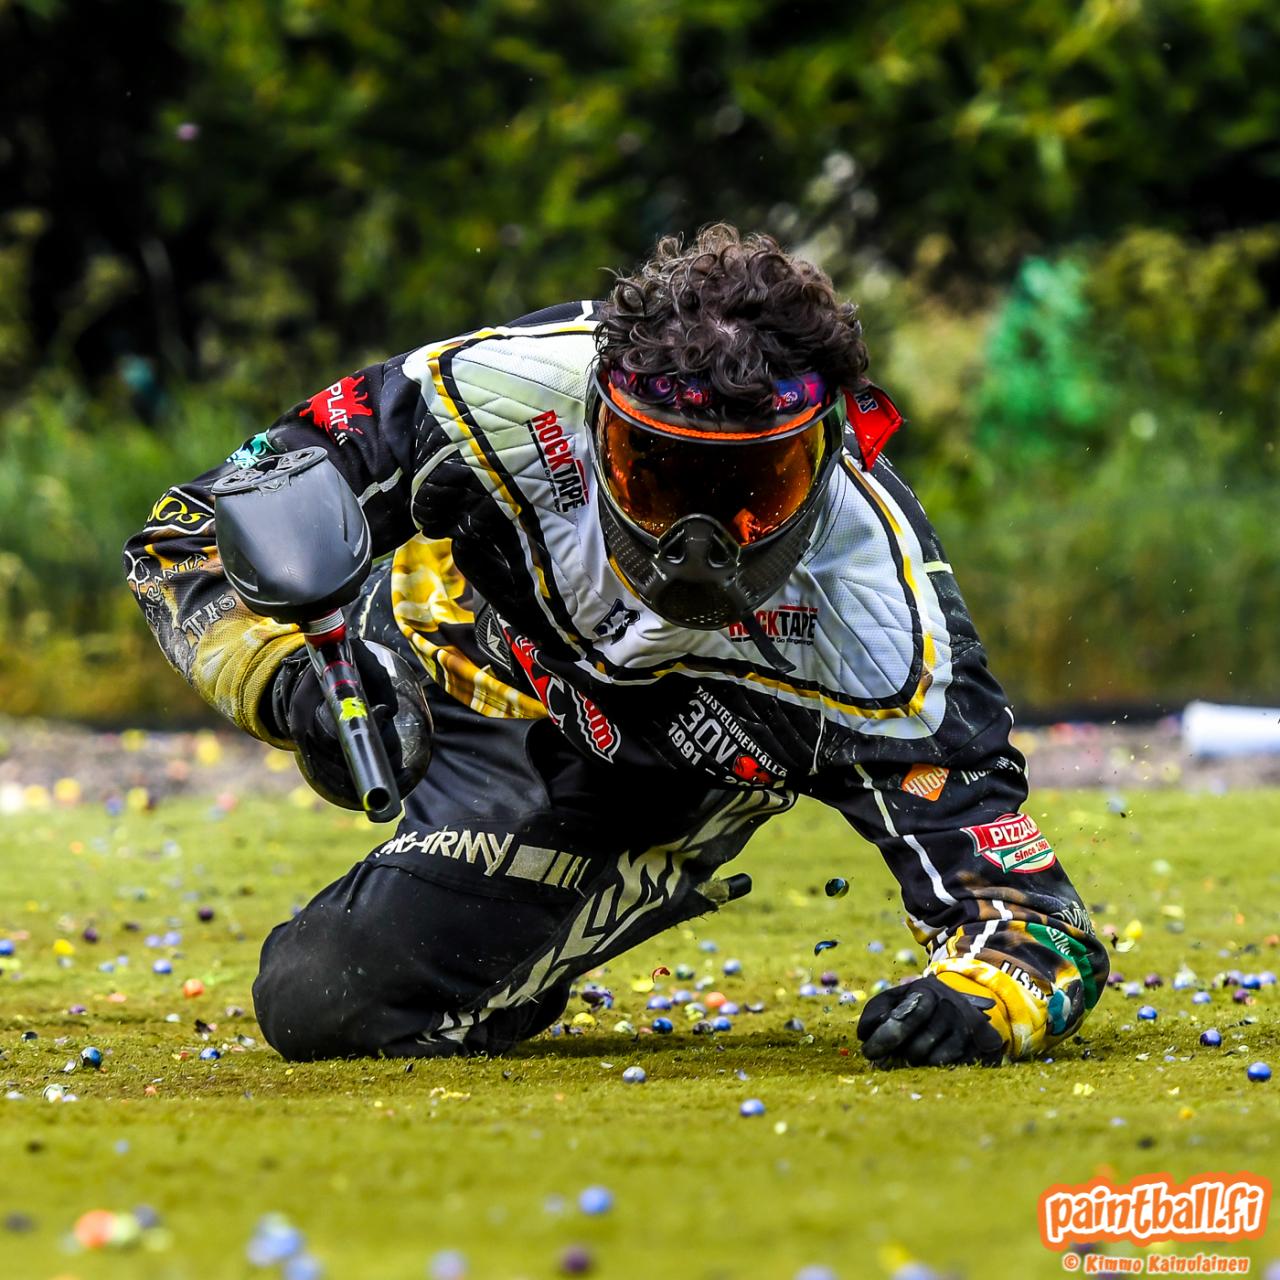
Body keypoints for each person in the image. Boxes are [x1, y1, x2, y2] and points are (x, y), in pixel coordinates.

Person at [123, 223, 1108, 1066]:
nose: (700, 541)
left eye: (755, 490)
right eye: (657, 472)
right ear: (594, 418)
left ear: (833, 455)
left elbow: (1034, 923)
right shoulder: (490, 396)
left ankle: (617, 876)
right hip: (435, 650)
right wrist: (293, 682)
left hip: (637, 775)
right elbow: (193, 532)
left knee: (326, 995)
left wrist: (978, 1005)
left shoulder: (881, 624)